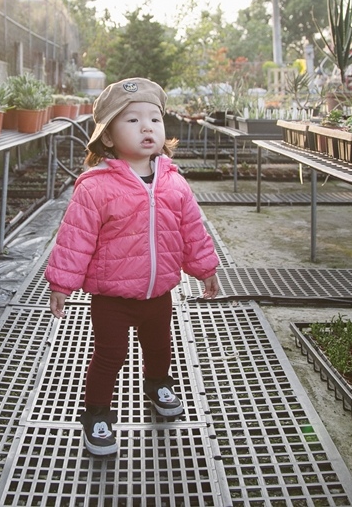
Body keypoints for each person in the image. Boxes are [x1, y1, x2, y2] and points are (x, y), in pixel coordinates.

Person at [44, 77, 220, 456]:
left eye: (154, 120)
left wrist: (205, 267)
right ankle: (97, 415)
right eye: (132, 121)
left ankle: (157, 384)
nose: (146, 128)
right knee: (110, 354)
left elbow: (192, 229)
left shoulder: (174, 183)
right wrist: (61, 283)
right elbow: (75, 238)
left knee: (160, 345)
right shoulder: (95, 187)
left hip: (159, 292)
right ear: (107, 137)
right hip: (112, 296)